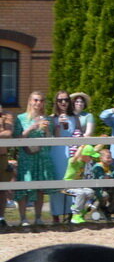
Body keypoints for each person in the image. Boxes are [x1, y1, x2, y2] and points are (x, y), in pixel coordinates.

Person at [14, 91, 54, 226]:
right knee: (24, 187)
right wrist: (31, 128)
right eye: (36, 100)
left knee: (40, 188)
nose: (38, 103)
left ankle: (38, 217)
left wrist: (47, 130)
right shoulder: (21, 118)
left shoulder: (47, 119)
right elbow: (17, 138)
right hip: (27, 156)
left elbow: (51, 141)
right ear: (30, 101)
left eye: (41, 100)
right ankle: (23, 218)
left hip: (42, 157)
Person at [46, 90, 79, 223]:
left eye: (65, 99)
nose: (63, 102)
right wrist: (59, 125)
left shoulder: (74, 117)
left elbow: (78, 133)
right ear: (56, 102)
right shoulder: (52, 117)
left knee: (71, 181)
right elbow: (54, 137)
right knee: (58, 181)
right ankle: (56, 215)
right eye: (60, 100)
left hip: (71, 150)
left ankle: (72, 213)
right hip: (57, 150)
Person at [64, 144, 102, 224]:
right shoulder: (74, 162)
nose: (92, 158)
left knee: (90, 192)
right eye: (90, 156)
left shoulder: (85, 161)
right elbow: (75, 158)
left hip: (79, 186)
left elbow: (95, 150)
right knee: (81, 193)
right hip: (69, 185)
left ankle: (81, 210)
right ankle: (76, 214)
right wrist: (81, 147)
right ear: (84, 155)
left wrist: (103, 141)